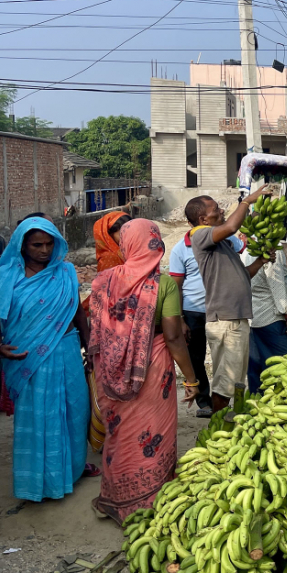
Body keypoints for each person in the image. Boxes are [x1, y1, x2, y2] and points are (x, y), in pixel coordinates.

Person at [89, 220, 199, 522]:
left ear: (126, 245)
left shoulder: (101, 281)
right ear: (155, 243)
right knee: (153, 433)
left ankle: (114, 501)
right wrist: (192, 379)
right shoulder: (162, 285)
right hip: (152, 370)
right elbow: (174, 337)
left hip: (110, 371)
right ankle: (152, 503)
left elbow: (96, 333)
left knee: (119, 434)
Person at [0, 217, 92, 502]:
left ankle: (73, 470)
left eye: (49, 244)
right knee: (38, 418)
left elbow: (78, 313)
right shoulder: (7, 277)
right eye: (36, 244)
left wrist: (91, 347)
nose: (44, 250)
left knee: (74, 412)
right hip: (27, 359)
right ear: (23, 245)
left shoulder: (65, 272)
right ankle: (38, 481)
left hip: (66, 352)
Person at [188, 187, 276, 412]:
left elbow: (243, 275)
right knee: (225, 384)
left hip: (236, 318)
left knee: (235, 380)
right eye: (216, 209)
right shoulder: (200, 234)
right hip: (226, 320)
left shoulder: (223, 244)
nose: (222, 210)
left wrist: (262, 260)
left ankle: (231, 423)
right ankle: (219, 430)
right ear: (203, 218)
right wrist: (247, 201)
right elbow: (232, 226)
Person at [168, 224, 244, 418]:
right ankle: (205, 402)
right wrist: (181, 319)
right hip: (193, 311)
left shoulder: (227, 240)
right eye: (214, 211)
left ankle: (225, 401)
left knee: (224, 358)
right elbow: (176, 285)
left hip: (221, 309)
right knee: (196, 357)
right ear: (202, 218)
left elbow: (243, 250)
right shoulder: (179, 249)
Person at [245, 245, 287, 393]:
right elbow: (277, 287)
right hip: (271, 317)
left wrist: (284, 265)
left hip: (253, 316)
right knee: (280, 364)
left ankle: (256, 400)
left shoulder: (247, 250)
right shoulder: (274, 252)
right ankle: (278, 401)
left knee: (256, 365)